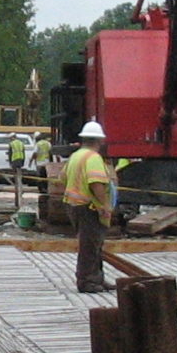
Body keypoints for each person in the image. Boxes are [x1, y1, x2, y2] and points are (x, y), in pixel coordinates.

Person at [62, 119, 115, 293]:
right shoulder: (93, 158)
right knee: (90, 245)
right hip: (88, 207)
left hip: (74, 206)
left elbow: (62, 178)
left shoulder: (76, 156)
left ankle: (97, 278)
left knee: (93, 244)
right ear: (99, 140)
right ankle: (87, 281)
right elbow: (96, 183)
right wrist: (104, 205)